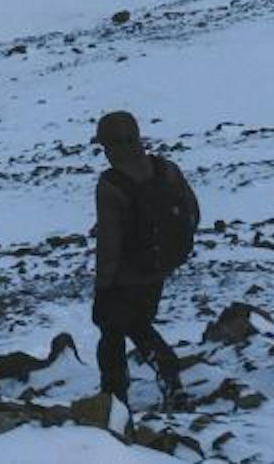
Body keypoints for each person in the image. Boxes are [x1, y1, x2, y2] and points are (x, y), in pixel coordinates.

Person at [91, 110, 200, 412]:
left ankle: (113, 401)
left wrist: (103, 285)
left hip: (124, 276)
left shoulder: (111, 184)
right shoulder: (167, 169)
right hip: (157, 268)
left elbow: (109, 242)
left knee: (111, 333)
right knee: (140, 325)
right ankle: (171, 379)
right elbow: (192, 211)